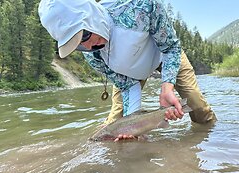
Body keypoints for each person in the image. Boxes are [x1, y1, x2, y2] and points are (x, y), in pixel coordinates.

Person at [38, 0, 217, 141]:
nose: (88, 45)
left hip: (165, 55)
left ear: (90, 14)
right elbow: (128, 85)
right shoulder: (91, 54)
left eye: (84, 34)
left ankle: (212, 140)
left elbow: (171, 48)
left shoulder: (139, 5)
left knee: (196, 104)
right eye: (76, 43)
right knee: (113, 127)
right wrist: (132, 127)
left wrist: (167, 87)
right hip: (128, 75)